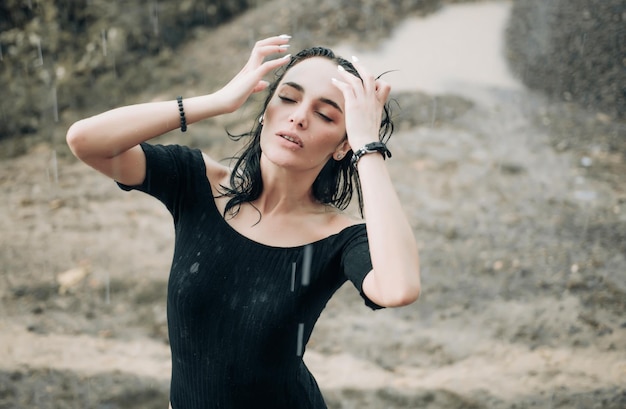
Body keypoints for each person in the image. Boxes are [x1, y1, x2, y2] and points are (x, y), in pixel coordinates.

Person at [66, 35, 420, 409]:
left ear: (341, 144)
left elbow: (398, 288)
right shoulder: (198, 184)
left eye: (326, 115)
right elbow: (85, 141)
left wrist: (367, 144)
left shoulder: (339, 238)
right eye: (287, 98)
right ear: (266, 108)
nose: (298, 117)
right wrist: (218, 101)